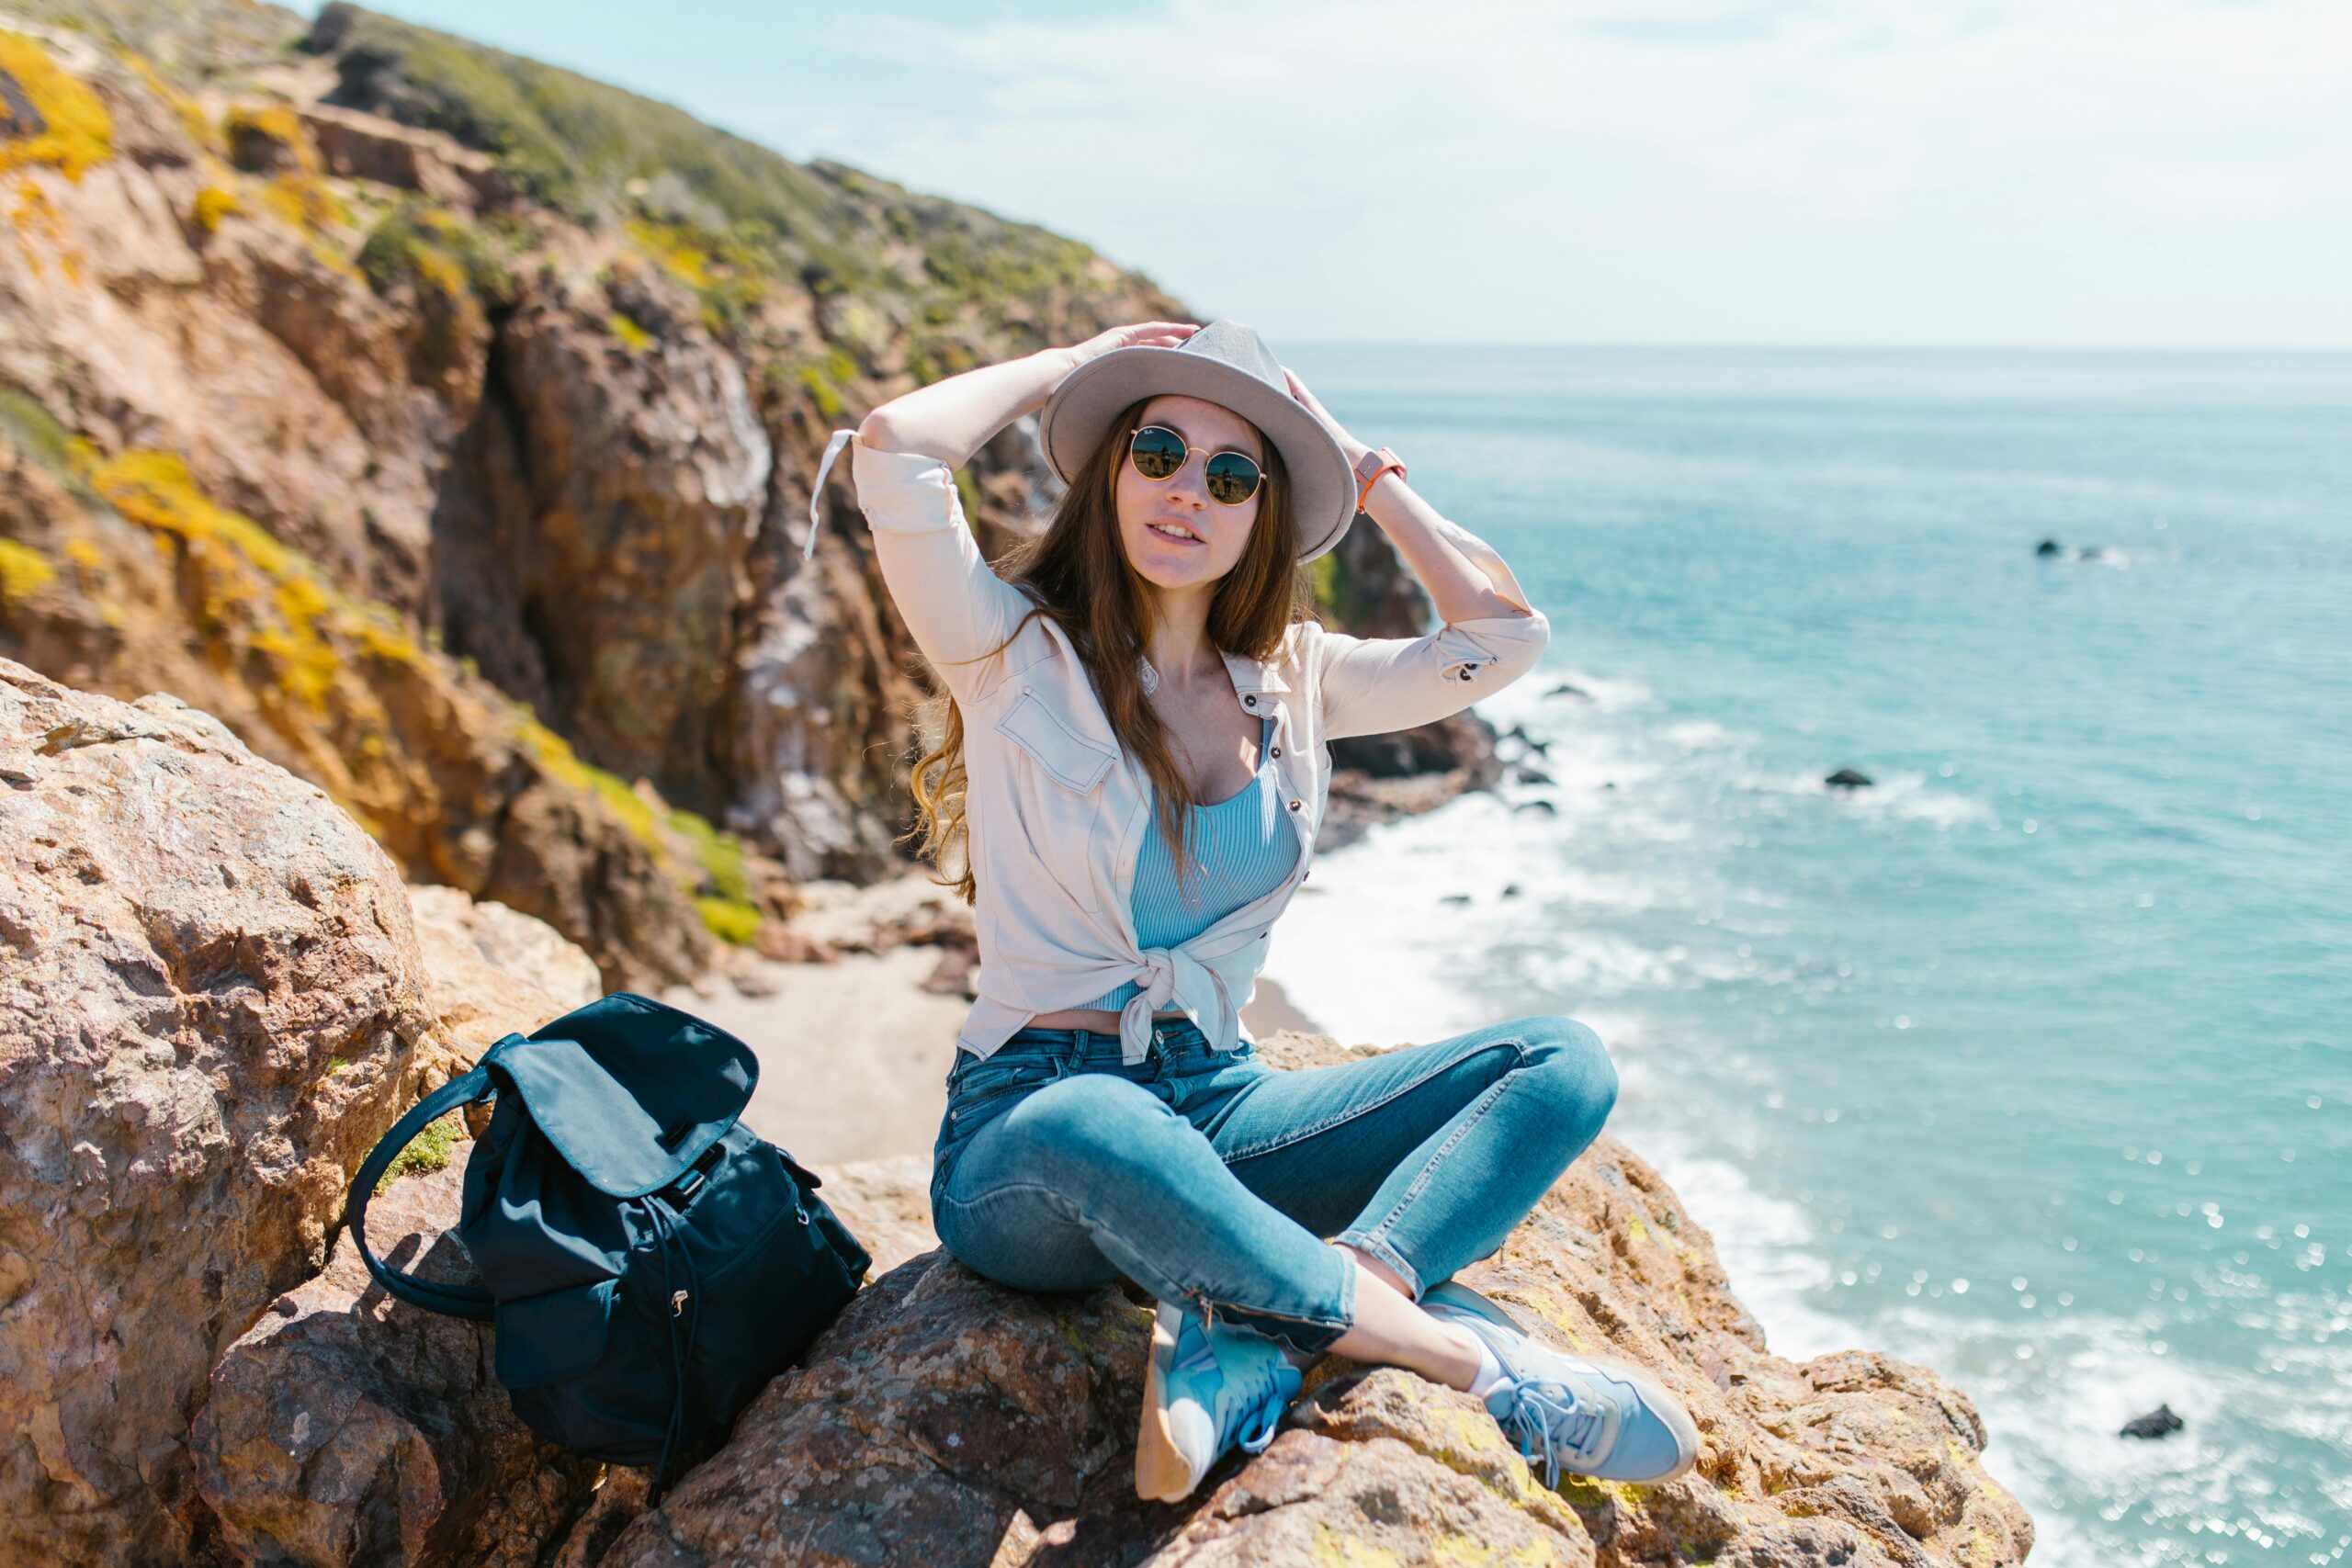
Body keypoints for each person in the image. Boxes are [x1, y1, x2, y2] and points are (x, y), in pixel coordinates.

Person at [803, 318, 1699, 1504]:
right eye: (1158, 452)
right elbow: (897, 450)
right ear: (1112, 472)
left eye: (1233, 478)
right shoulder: (1012, 651)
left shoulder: (1299, 681)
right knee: (1096, 1122)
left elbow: (1499, 636)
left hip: (1221, 1104)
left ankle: (1274, 1317)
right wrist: (1084, 363)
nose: (1189, 492)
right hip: (1031, 1134)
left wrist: (1365, 475)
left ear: (1261, 517)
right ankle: (1467, 1362)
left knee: (1558, 1059)